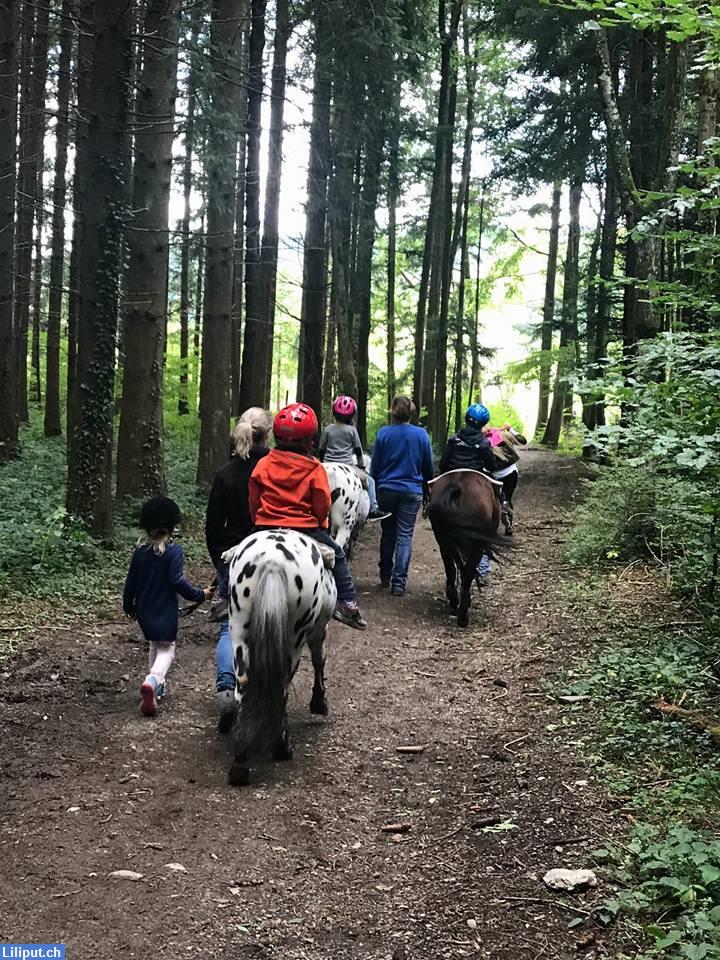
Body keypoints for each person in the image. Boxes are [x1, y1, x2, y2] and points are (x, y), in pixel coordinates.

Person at [249, 402, 367, 630]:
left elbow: (254, 499)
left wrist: (259, 520)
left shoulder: (263, 464)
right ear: (307, 442)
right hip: (305, 528)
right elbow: (322, 504)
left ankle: (224, 597)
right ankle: (348, 603)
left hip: (265, 525)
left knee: (236, 554)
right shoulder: (314, 469)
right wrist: (321, 524)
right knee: (339, 556)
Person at [123, 497, 213, 717]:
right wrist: (200, 594)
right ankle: (153, 680)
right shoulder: (173, 552)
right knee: (167, 649)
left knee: (155, 644)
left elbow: (130, 583)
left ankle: (156, 688)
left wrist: (128, 605)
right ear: (172, 526)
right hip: (165, 611)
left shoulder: (140, 553)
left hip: (144, 610)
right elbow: (177, 581)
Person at [205, 407, 272, 622]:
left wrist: (222, 563)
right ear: (267, 434)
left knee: (229, 628)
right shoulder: (279, 470)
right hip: (272, 548)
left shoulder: (225, 474)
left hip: (234, 552)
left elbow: (213, 527)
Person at [370, 395, 434, 596]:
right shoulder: (422, 435)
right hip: (411, 491)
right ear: (411, 413)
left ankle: (385, 575)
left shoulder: (383, 434)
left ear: (393, 412)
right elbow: (428, 466)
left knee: (388, 532)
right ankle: (399, 583)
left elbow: (375, 467)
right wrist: (426, 488)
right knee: (405, 535)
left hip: (386, 490)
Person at [318, 395, 390, 522]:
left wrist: (321, 462)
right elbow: (358, 450)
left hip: (326, 464)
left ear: (334, 412)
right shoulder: (352, 430)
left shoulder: (328, 429)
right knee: (371, 482)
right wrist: (361, 465)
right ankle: (373, 509)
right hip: (347, 466)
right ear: (352, 415)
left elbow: (321, 449)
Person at [484, 422, 528, 534]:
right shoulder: (503, 434)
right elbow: (523, 441)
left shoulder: (481, 441)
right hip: (511, 472)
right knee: (507, 498)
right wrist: (511, 429)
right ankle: (508, 523)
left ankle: (491, 523)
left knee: (492, 499)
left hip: (492, 475)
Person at [439, 403, 495, 474]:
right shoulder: (484, 444)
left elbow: (443, 464)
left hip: (452, 475)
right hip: (476, 477)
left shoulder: (453, 440)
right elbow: (491, 467)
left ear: (466, 418)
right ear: (483, 423)